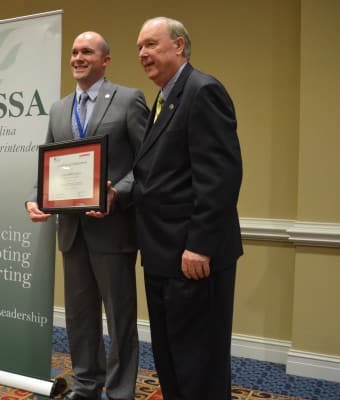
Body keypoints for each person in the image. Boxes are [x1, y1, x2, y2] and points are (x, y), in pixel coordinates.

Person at [26, 31, 149, 400]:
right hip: (73, 231)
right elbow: (48, 170)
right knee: (80, 318)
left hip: (113, 229)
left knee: (119, 319)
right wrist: (35, 198)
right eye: (75, 52)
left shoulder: (129, 100)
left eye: (87, 52)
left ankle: (122, 391)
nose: (78, 57)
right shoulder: (60, 108)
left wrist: (117, 192)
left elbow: (149, 164)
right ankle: (85, 386)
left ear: (105, 60)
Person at [134, 17, 243, 400]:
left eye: (151, 44)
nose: (143, 54)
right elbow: (158, 177)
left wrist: (200, 244)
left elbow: (220, 178)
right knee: (171, 359)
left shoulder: (203, 90)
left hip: (192, 258)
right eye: (139, 48)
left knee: (199, 364)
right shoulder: (163, 99)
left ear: (179, 46)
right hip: (162, 255)